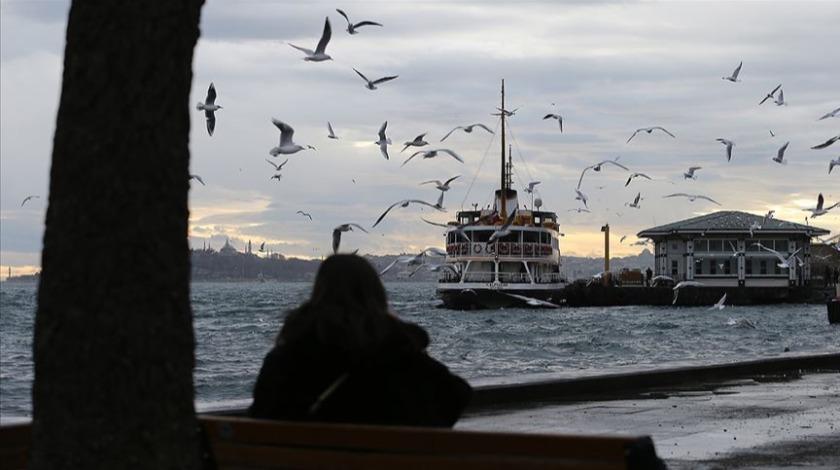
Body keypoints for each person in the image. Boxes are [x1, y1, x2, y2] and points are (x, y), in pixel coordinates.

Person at [249, 254, 472, 427]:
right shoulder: (399, 354)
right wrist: (395, 327)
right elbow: (457, 396)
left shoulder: (285, 358)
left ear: (318, 293)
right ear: (378, 295)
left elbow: (261, 416)